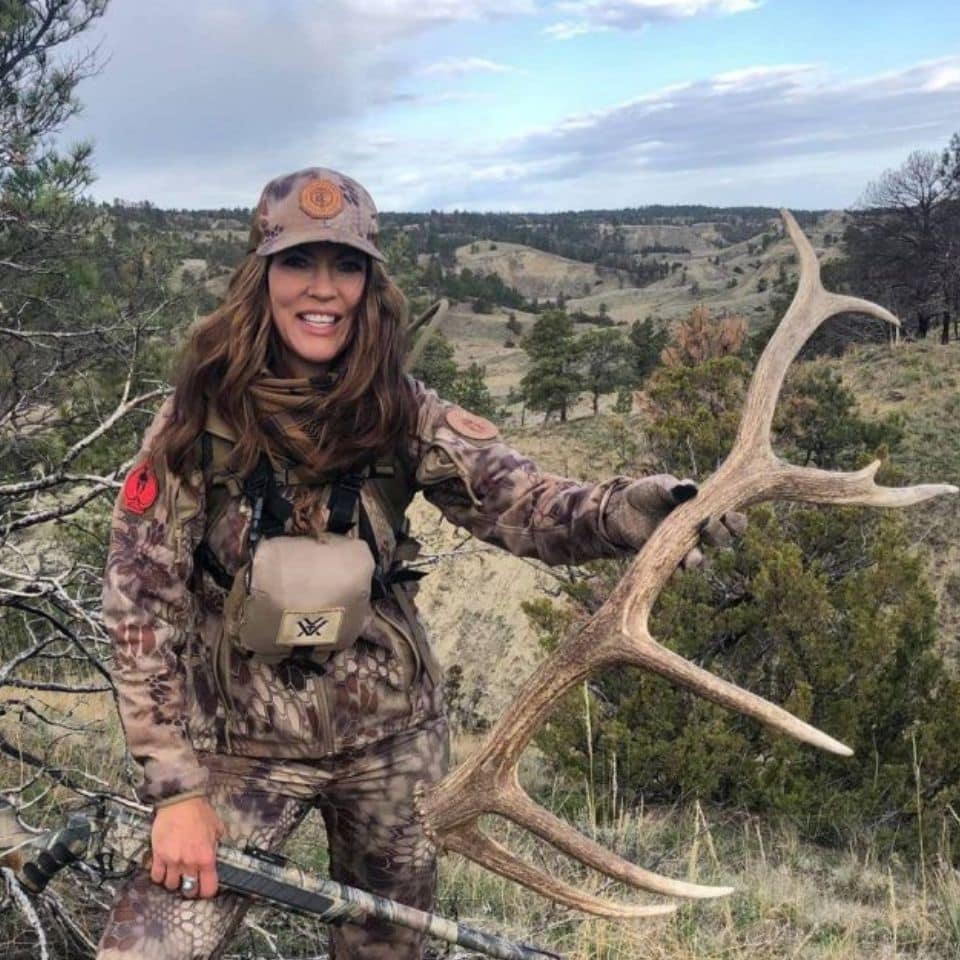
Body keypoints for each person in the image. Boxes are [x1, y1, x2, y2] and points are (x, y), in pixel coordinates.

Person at [97, 167, 741, 960]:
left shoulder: (405, 410)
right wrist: (177, 792)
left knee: (391, 952)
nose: (321, 289)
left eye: (347, 265)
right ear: (260, 278)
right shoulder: (198, 420)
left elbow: (525, 506)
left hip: (391, 742)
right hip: (236, 745)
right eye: (298, 263)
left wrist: (629, 510)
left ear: (371, 283)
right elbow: (138, 606)